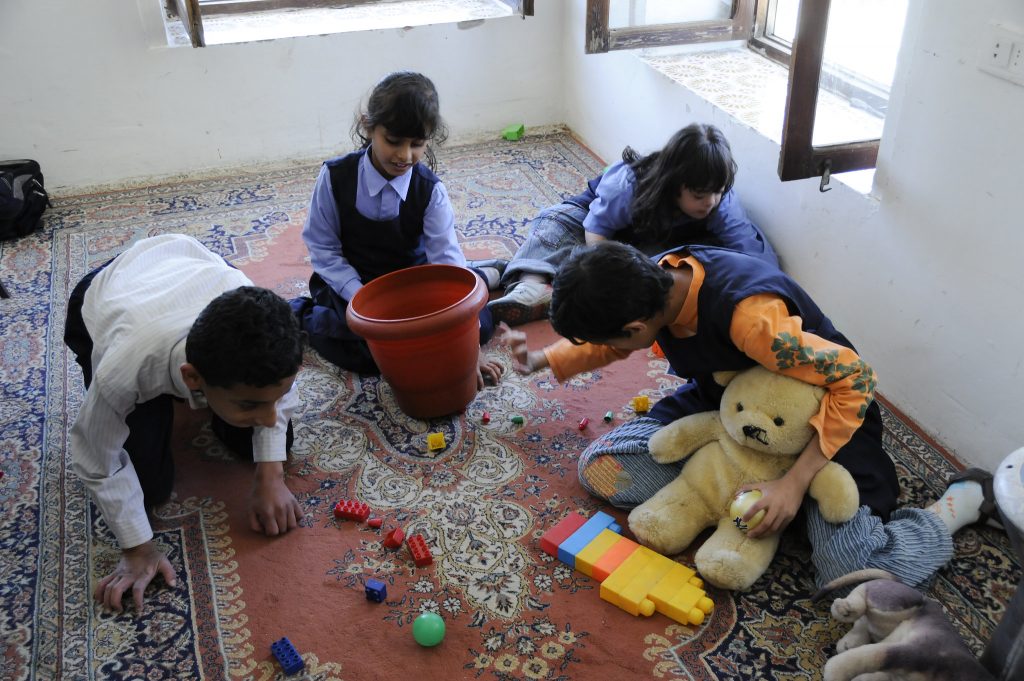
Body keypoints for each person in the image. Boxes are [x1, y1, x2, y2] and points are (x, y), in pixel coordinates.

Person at [500, 241, 997, 589]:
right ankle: (742, 496)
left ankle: (955, 508)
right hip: (728, 406)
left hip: (815, 421)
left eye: (611, 339)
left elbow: (858, 380)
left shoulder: (752, 322)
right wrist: (544, 360)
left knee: (851, 576)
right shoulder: (655, 279)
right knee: (603, 467)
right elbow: (616, 344)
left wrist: (796, 483)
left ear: (635, 325)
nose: (610, 350)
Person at [64, 233, 306, 614]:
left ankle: (225, 404)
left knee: (269, 440)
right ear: (193, 378)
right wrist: (137, 547)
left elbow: (276, 394)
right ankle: (189, 401)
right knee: (148, 487)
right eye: (252, 403)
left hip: (190, 266)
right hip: (108, 294)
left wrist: (270, 473)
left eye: (273, 400)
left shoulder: (263, 322)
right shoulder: (124, 366)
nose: (270, 415)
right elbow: (95, 455)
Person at [290, 71, 505, 387]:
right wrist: (362, 299)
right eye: (393, 141)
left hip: (411, 282)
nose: (405, 156)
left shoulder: (431, 191)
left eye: (417, 144)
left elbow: (445, 263)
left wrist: (469, 349)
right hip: (353, 284)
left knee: (479, 326)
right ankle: (300, 313)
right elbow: (323, 250)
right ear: (369, 126)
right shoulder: (335, 177)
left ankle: (480, 274)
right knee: (371, 354)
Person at [487, 123, 778, 326]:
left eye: (718, 192)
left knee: (686, 265)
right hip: (593, 227)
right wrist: (604, 271)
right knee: (554, 226)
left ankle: (519, 273)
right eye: (700, 195)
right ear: (673, 184)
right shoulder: (628, 182)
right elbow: (596, 233)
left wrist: (767, 294)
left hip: (646, 246)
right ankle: (531, 286)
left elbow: (750, 254)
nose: (710, 202)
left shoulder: (721, 201)